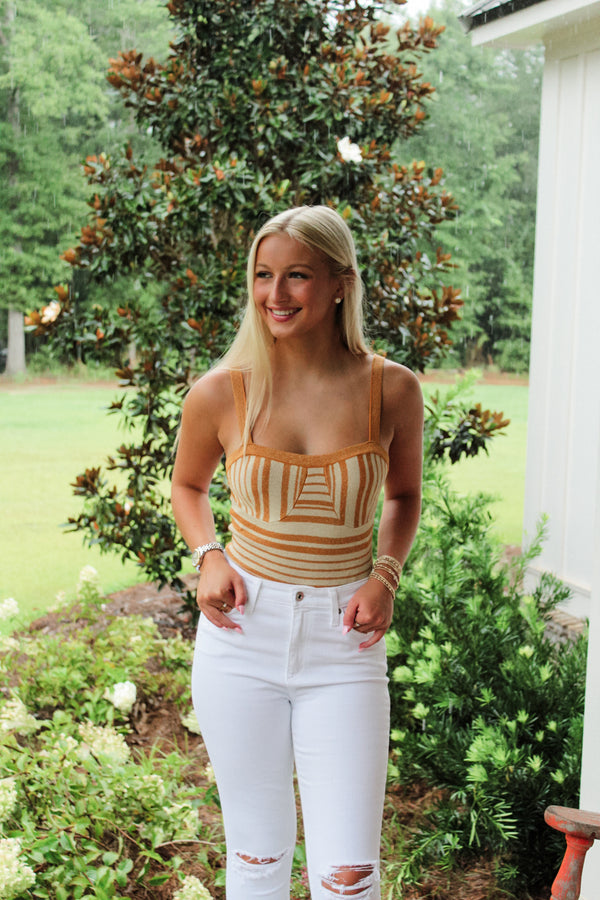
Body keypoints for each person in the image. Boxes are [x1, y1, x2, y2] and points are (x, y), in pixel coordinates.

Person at [171, 205, 423, 900]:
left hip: (344, 643)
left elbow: (403, 498)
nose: (275, 295)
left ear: (341, 283)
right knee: (255, 859)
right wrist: (209, 556)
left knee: (349, 875)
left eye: (297, 277)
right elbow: (189, 487)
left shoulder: (392, 388)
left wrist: (386, 577)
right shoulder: (222, 391)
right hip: (242, 637)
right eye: (263, 275)